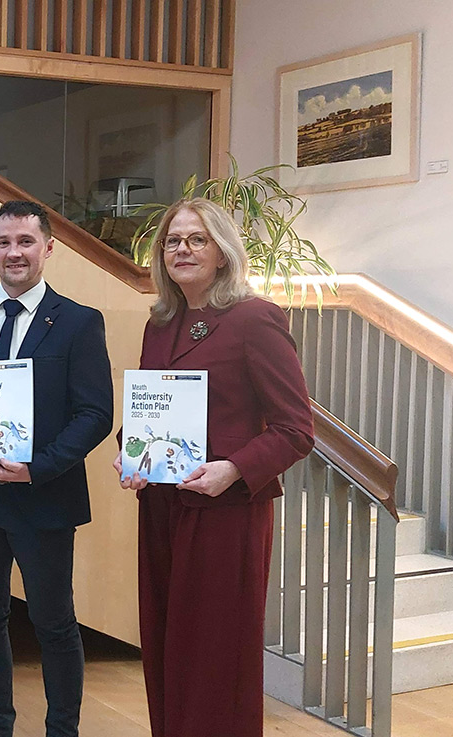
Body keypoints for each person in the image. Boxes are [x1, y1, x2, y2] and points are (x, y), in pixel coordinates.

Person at [113, 198, 313, 737]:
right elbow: (151, 408)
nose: (182, 249)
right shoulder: (161, 323)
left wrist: (233, 469)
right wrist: (130, 450)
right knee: (165, 646)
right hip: (161, 505)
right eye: (172, 241)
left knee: (216, 659)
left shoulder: (254, 318)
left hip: (226, 512)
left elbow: (296, 428)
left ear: (222, 252)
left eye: (196, 239)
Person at [0, 200, 113, 737]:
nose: (15, 253)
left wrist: (37, 469)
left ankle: (62, 731)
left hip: (43, 496)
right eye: (4, 242)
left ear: (48, 248)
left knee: (53, 624)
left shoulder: (78, 321)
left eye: (26, 242)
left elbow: (95, 414)